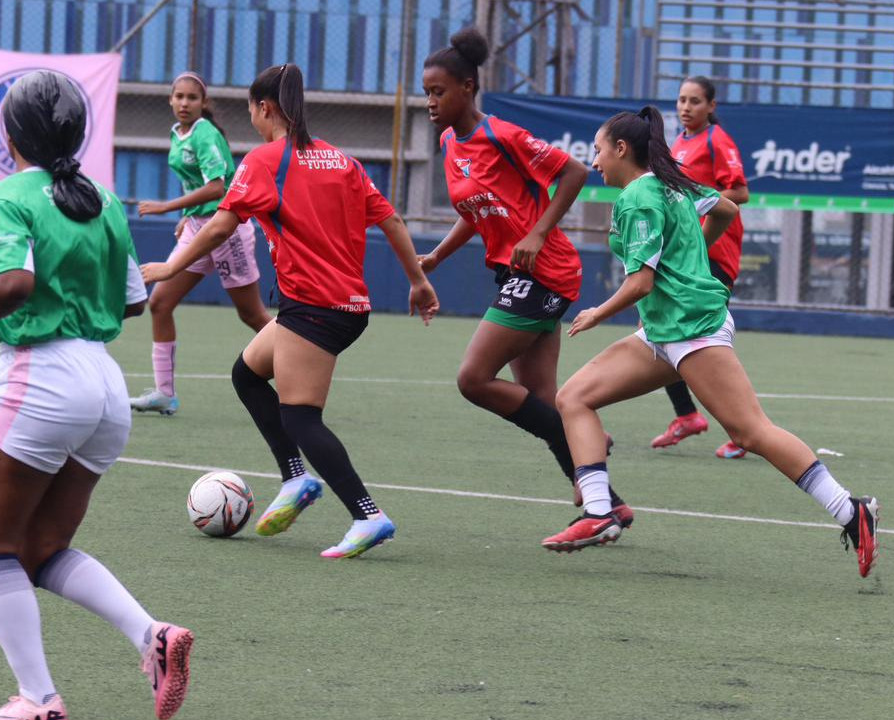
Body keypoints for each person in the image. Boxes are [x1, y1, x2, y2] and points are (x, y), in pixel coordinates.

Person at [0, 71, 193, 720]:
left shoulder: (6, 197)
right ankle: (151, 636)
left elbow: (15, 282)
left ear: (8, 133)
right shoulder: (101, 199)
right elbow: (135, 302)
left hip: (42, 377)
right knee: (40, 549)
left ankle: (37, 699)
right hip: (104, 386)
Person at [541, 105, 879, 581]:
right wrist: (693, 255)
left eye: (597, 150)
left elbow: (639, 282)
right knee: (574, 397)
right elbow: (726, 208)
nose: (594, 161)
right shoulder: (668, 180)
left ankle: (852, 511)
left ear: (621, 149)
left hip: (693, 329)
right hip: (663, 330)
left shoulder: (640, 194)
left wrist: (598, 312)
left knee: (751, 432)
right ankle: (600, 513)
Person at [142, 63, 439, 559]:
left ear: (265, 109)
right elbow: (391, 220)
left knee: (301, 418)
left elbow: (218, 228)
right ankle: (296, 480)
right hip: (336, 304)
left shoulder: (264, 160)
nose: (253, 122)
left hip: (316, 307)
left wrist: (172, 269)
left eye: (252, 112)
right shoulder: (341, 160)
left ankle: (368, 515)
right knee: (246, 374)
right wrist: (418, 280)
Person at [418, 26, 632, 526]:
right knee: (541, 401)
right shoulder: (450, 141)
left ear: (468, 87)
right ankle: (607, 499)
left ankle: (591, 454)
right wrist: (436, 259)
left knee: (473, 379)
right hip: (516, 275)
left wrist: (536, 233)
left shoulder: (503, 135)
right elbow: (475, 211)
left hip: (546, 270)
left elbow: (575, 173)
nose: (430, 101)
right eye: (427, 92)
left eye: (438, 91)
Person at [132, 71, 272, 415]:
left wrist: (166, 207)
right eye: (178, 96)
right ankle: (165, 394)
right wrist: (186, 215)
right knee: (161, 302)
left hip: (226, 229)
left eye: (191, 98)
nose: (184, 103)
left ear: (203, 103)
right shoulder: (178, 133)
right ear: (170, 99)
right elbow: (198, 189)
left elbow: (216, 187)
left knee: (251, 314)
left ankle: (302, 366)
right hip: (198, 227)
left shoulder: (205, 135)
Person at [651, 76, 752, 459]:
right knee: (657, 329)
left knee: (706, 344)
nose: (685, 107)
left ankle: (742, 431)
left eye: (695, 101)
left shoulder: (716, 140)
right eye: (681, 100)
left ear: (711, 106)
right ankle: (688, 416)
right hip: (688, 256)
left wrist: (694, 199)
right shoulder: (679, 143)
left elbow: (740, 192)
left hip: (714, 254)